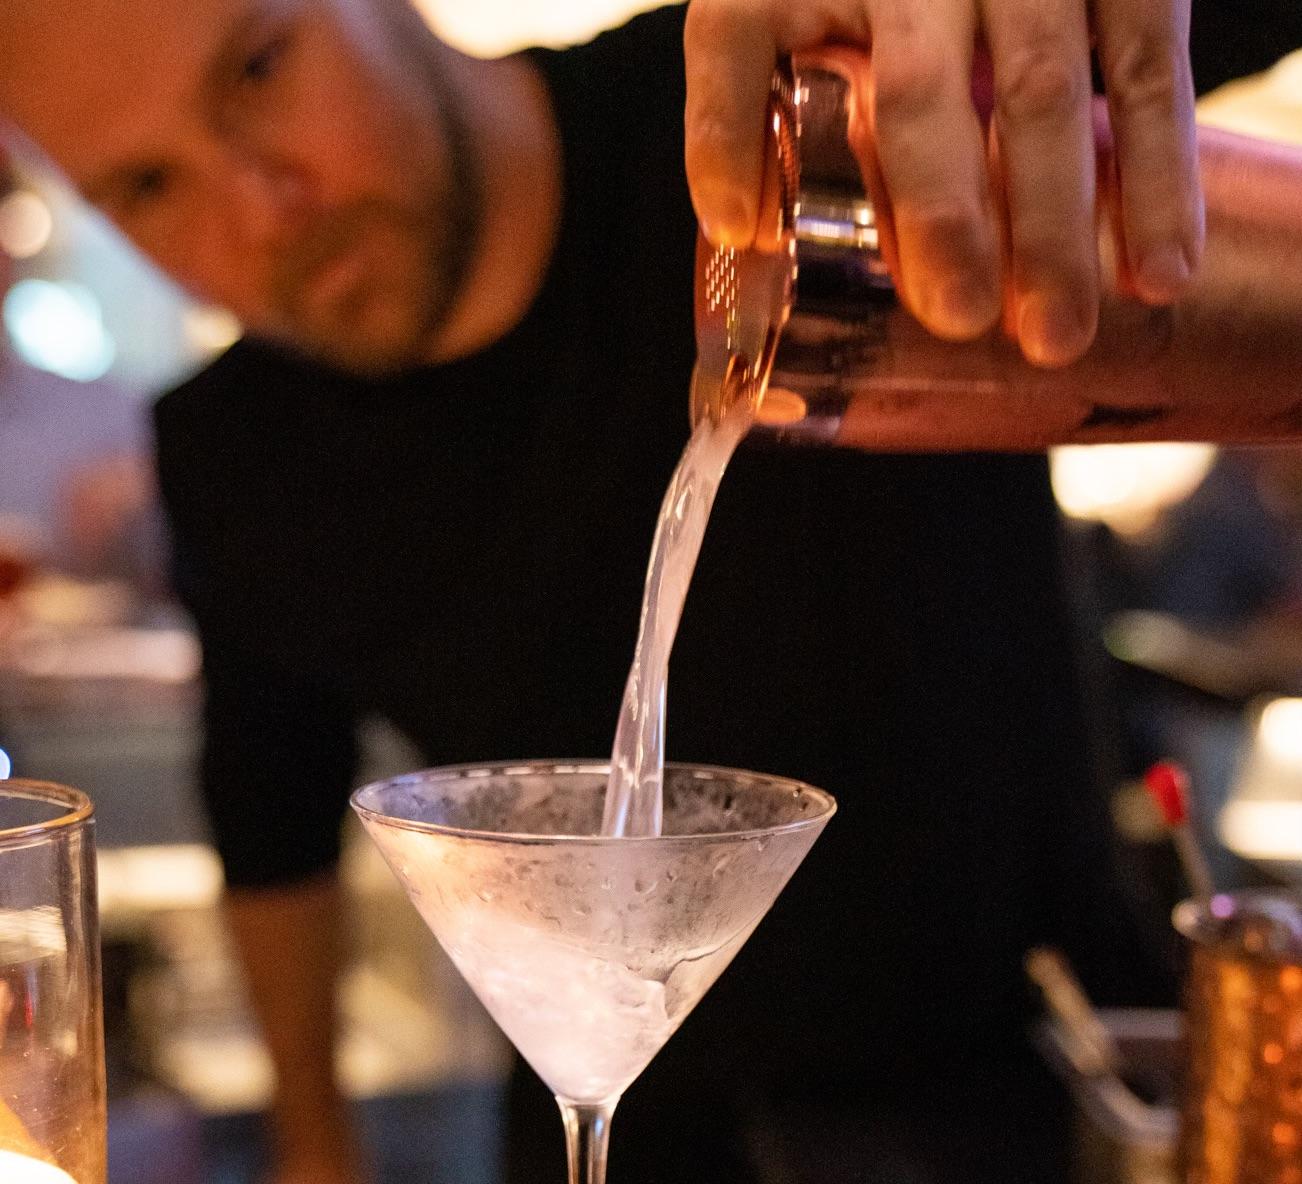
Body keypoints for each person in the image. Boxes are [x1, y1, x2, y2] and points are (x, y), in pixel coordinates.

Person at [0, 1, 1214, 1182]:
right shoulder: (234, 446)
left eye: (260, 69)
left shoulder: (770, 110)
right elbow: (271, 791)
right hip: (612, 1116)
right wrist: (316, 1143)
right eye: (149, 187)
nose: (261, 210)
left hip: (1017, 1089)